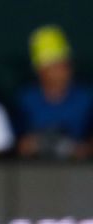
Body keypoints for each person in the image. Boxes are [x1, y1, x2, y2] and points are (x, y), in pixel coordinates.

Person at [17, 25, 92, 159]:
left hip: (79, 171)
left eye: (64, 65)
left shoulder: (86, 98)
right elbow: (17, 144)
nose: (62, 71)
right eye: (53, 66)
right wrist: (33, 144)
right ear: (40, 70)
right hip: (35, 172)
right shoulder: (26, 100)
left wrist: (80, 149)